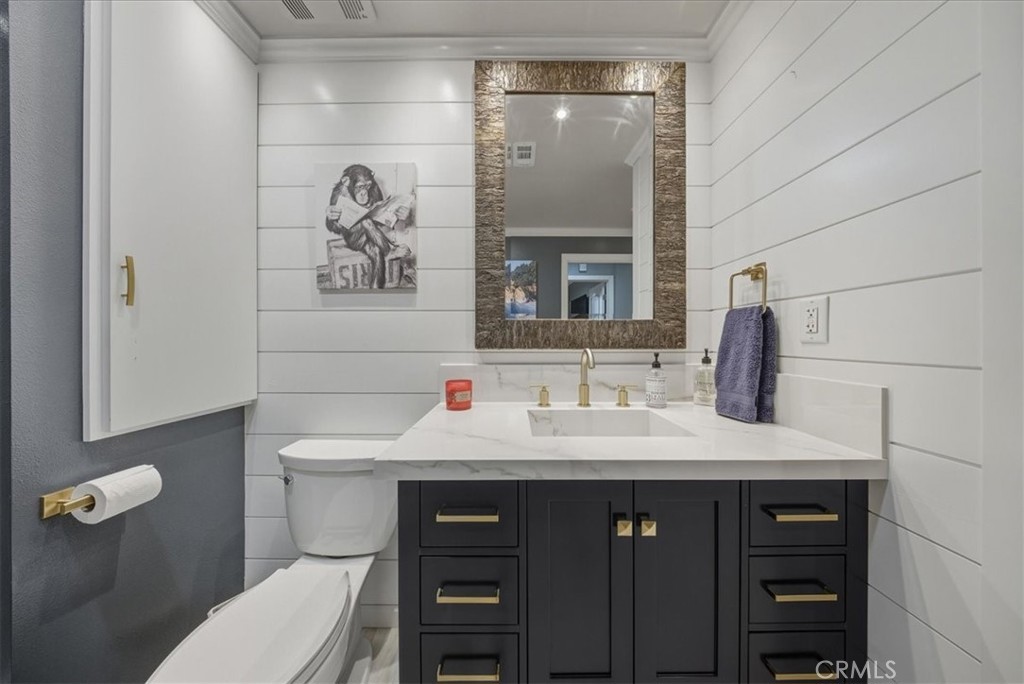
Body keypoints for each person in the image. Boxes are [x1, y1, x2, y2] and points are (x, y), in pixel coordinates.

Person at [325, 164, 411, 289]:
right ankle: (389, 251)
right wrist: (330, 217)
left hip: (372, 235)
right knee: (366, 222)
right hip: (354, 238)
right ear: (346, 182)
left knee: (376, 253)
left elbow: (381, 220)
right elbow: (333, 228)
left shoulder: (374, 188)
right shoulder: (340, 192)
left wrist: (398, 215)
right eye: (360, 187)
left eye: (367, 186)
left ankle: (375, 290)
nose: (364, 192)